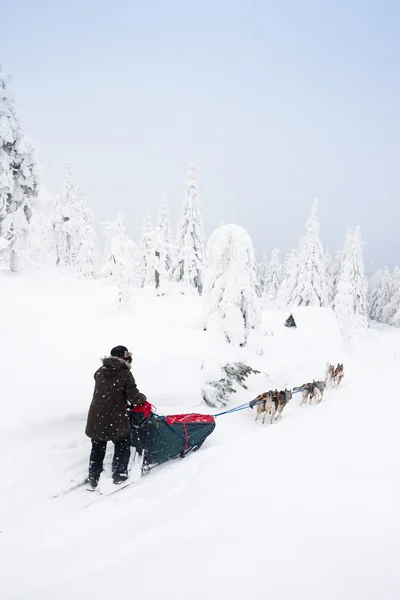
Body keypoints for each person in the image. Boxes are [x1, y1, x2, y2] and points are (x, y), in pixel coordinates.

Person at [85, 345, 146, 488]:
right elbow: (134, 397)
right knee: (122, 441)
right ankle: (119, 474)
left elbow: (108, 390)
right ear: (124, 357)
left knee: (98, 445)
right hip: (115, 417)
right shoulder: (125, 374)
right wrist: (142, 398)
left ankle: (94, 475)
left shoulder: (99, 371)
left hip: (96, 416)